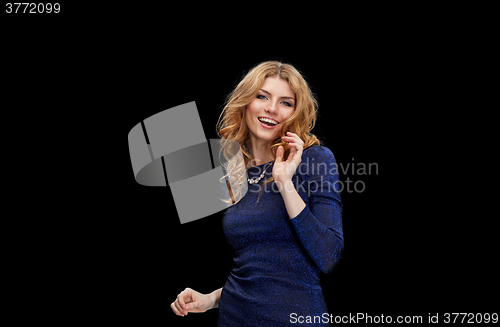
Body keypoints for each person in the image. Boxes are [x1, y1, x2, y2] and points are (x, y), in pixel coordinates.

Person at [171, 61, 344, 326]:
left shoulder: (315, 160)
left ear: (295, 112)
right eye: (262, 96)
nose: (272, 108)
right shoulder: (236, 171)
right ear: (246, 102)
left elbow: (328, 256)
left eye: (285, 102)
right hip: (233, 318)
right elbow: (256, 268)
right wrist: (210, 300)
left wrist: (285, 183)